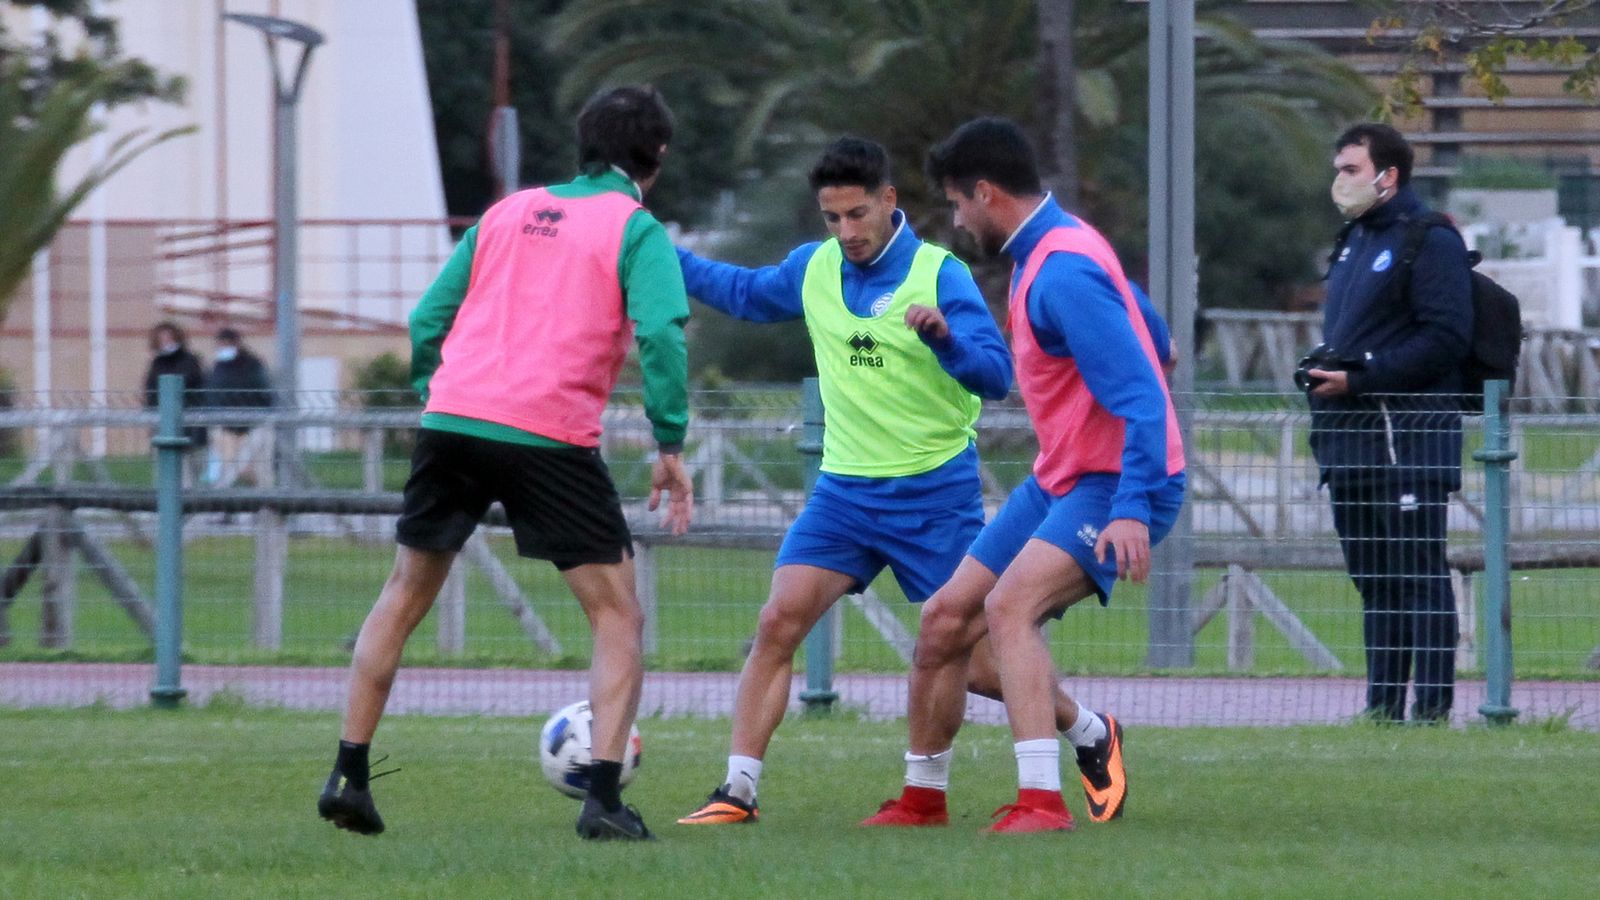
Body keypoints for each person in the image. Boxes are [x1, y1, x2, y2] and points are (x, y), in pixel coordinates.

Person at [317, 85, 694, 842]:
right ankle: (605, 801)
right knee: (617, 614)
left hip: (452, 420)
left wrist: (442, 396)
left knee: (402, 594)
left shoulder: (505, 212)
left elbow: (429, 318)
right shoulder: (636, 228)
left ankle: (347, 775)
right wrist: (669, 442)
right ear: (655, 158)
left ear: (582, 146)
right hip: (547, 434)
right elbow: (661, 336)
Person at [672, 136, 1021, 826]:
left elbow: (998, 377)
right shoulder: (814, 269)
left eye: (858, 214)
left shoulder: (939, 273)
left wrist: (946, 342)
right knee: (778, 622)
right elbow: (741, 292)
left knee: (976, 666)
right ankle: (737, 791)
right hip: (843, 495)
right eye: (832, 218)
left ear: (889, 201)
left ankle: (1087, 729)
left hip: (933, 494)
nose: (847, 232)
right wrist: (663, 257)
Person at [864, 118, 1186, 834]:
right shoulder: (1055, 246)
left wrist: (1131, 502)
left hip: (1115, 486)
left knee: (1009, 609)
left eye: (955, 203)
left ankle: (1041, 803)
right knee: (945, 618)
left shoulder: (1062, 268)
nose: (955, 219)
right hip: (1062, 478)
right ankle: (922, 800)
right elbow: (1157, 340)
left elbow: (1141, 389)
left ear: (985, 193)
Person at [1306, 123, 1473, 723]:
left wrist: (1364, 376)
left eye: (1350, 170)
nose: (1339, 181)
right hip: (1348, 442)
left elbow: (1447, 338)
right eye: (1338, 169)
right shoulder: (1352, 239)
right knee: (1375, 582)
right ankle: (1381, 711)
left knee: (1418, 577)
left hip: (1408, 442)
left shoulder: (1429, 240)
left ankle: (1430, 713)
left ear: (1388, 174)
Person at [203, 327, 272, 487]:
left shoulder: (253, 365)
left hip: (252, 425)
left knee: (256, 468)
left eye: (227, 344)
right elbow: (211, 393)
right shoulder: (218, 367)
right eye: (220, 345)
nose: (223, 349)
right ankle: (225, 504)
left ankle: (266, 504)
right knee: (230, 468)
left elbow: (262, 393)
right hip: (225, 426)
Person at [142, 320, 208, 481]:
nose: (166, 343)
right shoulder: (157, 364)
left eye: (169, 339)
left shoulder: (190, 361)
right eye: (162, 340)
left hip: (188, 426)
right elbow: (150, 392)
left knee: (188, 475)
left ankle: (187, 504)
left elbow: (191, 387)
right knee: (163, 473)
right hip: (162, 425)